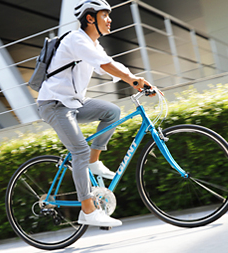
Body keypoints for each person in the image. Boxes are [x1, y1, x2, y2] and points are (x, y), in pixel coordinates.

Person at [37, 0, 162, 227]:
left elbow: (110, 63)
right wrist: (132, 81)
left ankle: (93, 162)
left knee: (112, 112)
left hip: (74, 103)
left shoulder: (92, 43)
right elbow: (104, 65)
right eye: (105, 15)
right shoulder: (76, 39)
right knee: (79, 151)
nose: (110, 19)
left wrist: (138, 80)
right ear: (90, 18)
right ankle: (87, 209)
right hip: (54, 104)